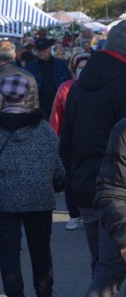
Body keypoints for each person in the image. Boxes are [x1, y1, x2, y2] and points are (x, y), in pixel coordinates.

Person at [58, 20, 126, 297]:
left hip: (88, 186)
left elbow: (65, 139)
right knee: (107, 275)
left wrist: (74, 183)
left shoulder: (83, 81)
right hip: (116, 192)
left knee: (103, 271)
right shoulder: (121, 84)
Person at [0, 75, 65, 297]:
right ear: (26, 96)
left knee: (8, 252)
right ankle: (44, 296)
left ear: (2, 96)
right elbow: (57, 166)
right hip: (39, 198)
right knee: (40, 248)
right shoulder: (43, 128)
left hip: (3, 199)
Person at [49, 51, 91, 230]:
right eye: (80, 67)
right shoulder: (65, 88)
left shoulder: (98, 87)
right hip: (70, 140)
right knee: (70, 179)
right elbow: (56, 116)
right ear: (74, 69)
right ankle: (74, 213)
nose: (84, 70)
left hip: (92, 139)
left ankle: (88, 211)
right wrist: (54, 139)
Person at [0, 40, 39, 119]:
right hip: (28, 126)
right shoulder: (29, 76)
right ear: (14, 55)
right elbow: (35, 108)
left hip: (3, 129)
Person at [25, 37, 71, 118]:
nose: (41, 52)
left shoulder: (61, 65)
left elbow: (68, 84)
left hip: (58, 106)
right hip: (39, 108)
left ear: (49, 49)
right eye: (39, 50)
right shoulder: (30, 67)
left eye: (44, 49)